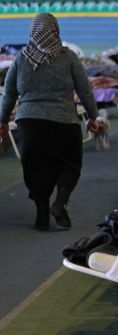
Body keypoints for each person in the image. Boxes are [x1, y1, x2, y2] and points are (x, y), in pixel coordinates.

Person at [0, 13, 99, 231]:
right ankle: (61, 201)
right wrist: (93, 117)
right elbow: (85, 90)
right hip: (64, 122)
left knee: (37, 169)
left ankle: (42, 216)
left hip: (30, 125)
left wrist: (3, 122)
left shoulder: (20, 59)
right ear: (55, 30)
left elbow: (9, 94)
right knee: (70, 165)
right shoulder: (68, 57)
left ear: (32, 31)